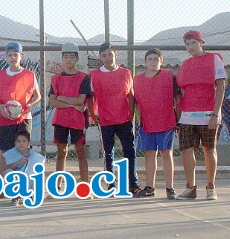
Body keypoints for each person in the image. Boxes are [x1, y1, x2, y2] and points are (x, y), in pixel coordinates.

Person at [175, 30, 227, 200]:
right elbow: (181, 90)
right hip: (187, 115)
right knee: (186, 150)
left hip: (208, 114)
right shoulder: (185, 64)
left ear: (201, 42)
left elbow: (221, 87)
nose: (190, 47)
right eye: (187, 44)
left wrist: (215, 113)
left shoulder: (214, 59)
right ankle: (191, 188)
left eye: (193, 43)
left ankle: (211, 187)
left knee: (209, 149)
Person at [88, 43, 141, 194]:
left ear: (115, 55)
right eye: (104, 55)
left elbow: (130, 96)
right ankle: (111, 184)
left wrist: (130, 115)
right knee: (108, 153)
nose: (107, 58)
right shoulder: (94, 75)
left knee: (129, 151)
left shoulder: (125, 73)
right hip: (105, 120)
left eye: (110, 54)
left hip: (124, 119)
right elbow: (90, 98)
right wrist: (93, 115)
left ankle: (133, 183)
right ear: (100, 57)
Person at [133, 48, 179, 199]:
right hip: (147, 122)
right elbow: (137, 103)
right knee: (149, 154)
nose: (153, 62)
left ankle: (169, 188)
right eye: (150, 59)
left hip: (166, 121)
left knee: (166, 153)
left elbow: (177, 98)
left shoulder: (168, 76)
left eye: (156, 59)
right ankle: (149, 187)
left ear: (161, 61)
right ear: (145, 62)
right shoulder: (137, 80)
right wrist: (139, 121)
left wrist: (178, 118)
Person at [0, 42, 41, 178]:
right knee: (4, 150)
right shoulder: (0, 75)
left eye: (16, 54)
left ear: (21, 56)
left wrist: (30, 105)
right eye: (10, 55)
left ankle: (24, 183)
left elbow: (37, 96)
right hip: (6, 118)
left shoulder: (29, 74)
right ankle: (1, 183)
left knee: (23, 149)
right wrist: (1, 108)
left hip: (24, 118)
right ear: (6, 57)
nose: (13, 57)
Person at [49, 43, 91, 187]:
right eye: (65, 56)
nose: (68, 60)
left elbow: (81, 100)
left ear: (77, 58)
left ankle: (85, 186)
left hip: (77, 120)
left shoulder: (84, 78)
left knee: (80, 152)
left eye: (71, 57)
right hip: (60, 120)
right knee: (61, 152)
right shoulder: (55, 79)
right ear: (62, 59)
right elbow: (53, 102)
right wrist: (73, 105)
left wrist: (62, 97)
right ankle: (58, 186)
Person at [1, 131, 45, 206]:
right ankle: (16, 197)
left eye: (24, 141)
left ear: (28, 143)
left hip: (28, 180)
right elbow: (4, 167)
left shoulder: (34, 156)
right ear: (15, 142)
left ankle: (29, 194)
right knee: (9, 172)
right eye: (18, 141)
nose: (21, 144)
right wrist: (18, 163)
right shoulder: (12, 153)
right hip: (17, 180)